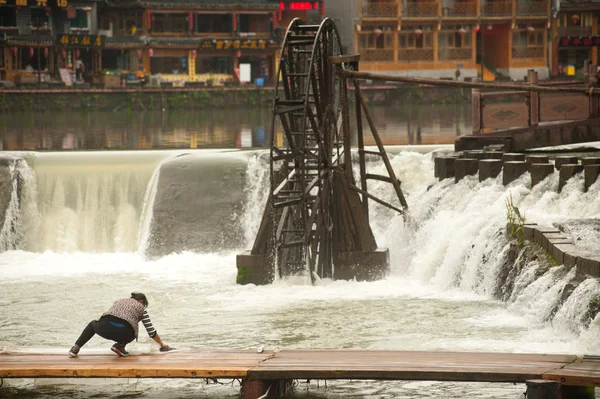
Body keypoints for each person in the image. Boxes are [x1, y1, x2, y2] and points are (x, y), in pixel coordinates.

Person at [69, 292, 171, 357]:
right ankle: (119, 346)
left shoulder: (119, 301)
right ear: (142, 302)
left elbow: (112, 315)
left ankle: (75, 348)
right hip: (123, 332)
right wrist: (162, 345)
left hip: (104, 327)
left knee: (92, 324)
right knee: (133, 330)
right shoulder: (142, 309)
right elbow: (151, 332)